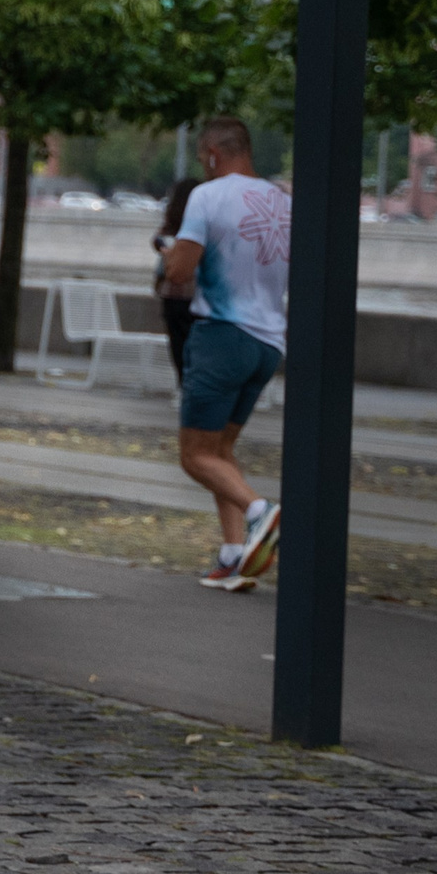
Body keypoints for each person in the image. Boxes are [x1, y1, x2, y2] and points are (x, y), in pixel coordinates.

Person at [162, 117, 290, 593]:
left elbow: (179, 271)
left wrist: (167, 252)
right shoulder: (282, 200)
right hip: (267, 343)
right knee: (221, 450)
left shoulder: (208, 196)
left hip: (221, 336)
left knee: (194, 455)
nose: (204, 166)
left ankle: (262, 513)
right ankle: (235, 555)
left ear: (213, 152)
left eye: (202, 158)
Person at [154, 176, 200, 379]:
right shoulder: (201, 225)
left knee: (179, 350)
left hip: (172, 296)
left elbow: (163, 268)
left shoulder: (172, 230)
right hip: (199, 295)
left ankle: (185, 389)